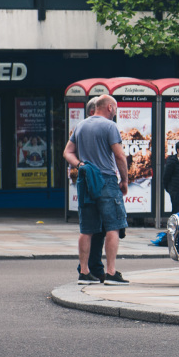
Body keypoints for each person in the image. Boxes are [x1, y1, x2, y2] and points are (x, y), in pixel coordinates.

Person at [62, 94, 129, 285]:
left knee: (87, 229)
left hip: (86, 181)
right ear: (109, 107)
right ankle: (111, 272)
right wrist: (124, 180)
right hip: (106, 180)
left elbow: (67, 151)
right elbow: (120, 156)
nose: (115, 112)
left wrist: (81, 164)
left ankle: (84, 272)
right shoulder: (110, 126)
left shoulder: (81, 125)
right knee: (113, 227)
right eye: (115, 108)